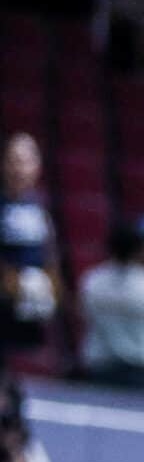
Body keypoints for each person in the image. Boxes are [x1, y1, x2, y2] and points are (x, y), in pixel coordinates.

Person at [78, 223, 144, 391]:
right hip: (140, 364)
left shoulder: (93, 279)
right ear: (140, 250)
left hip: (102, 363)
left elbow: (82, 314)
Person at [0, 134, 61, 362]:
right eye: (13, 160)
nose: (19, 169)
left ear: (37, 166)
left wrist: (51, 286)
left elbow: (50, 252)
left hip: (32, 307)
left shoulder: (40, 207)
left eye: (25, 161)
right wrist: (13, 283)